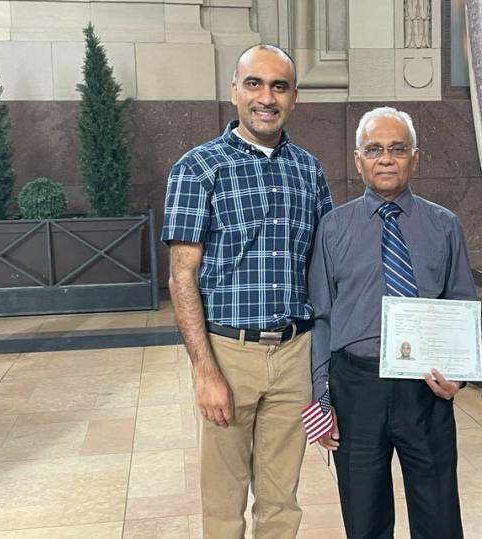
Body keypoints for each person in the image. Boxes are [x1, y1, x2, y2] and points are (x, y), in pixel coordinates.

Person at [161, 43, 333, 539]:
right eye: (254, 83)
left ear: (294, 97)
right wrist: (205, 371)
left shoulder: (309, 170)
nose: (266, 97)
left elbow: (324, 268)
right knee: (223, 502)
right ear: (234, 90)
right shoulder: (198, 169)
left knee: (282, 502)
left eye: (279, 86)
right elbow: (181, 278)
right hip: (228, 353)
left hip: (295, 355)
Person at [308, 106, 476, 538]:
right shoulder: (332, 228)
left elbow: (461, 307)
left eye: (397, 148)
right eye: (375, 149)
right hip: (355, 389)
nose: (386, 158)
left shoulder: (444, 226)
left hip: (426, 389)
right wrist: (321, 398)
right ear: (358, 159)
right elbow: (322, 318)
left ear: (414, 158)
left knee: (438, 512)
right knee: (364, 517)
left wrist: (457, 374)